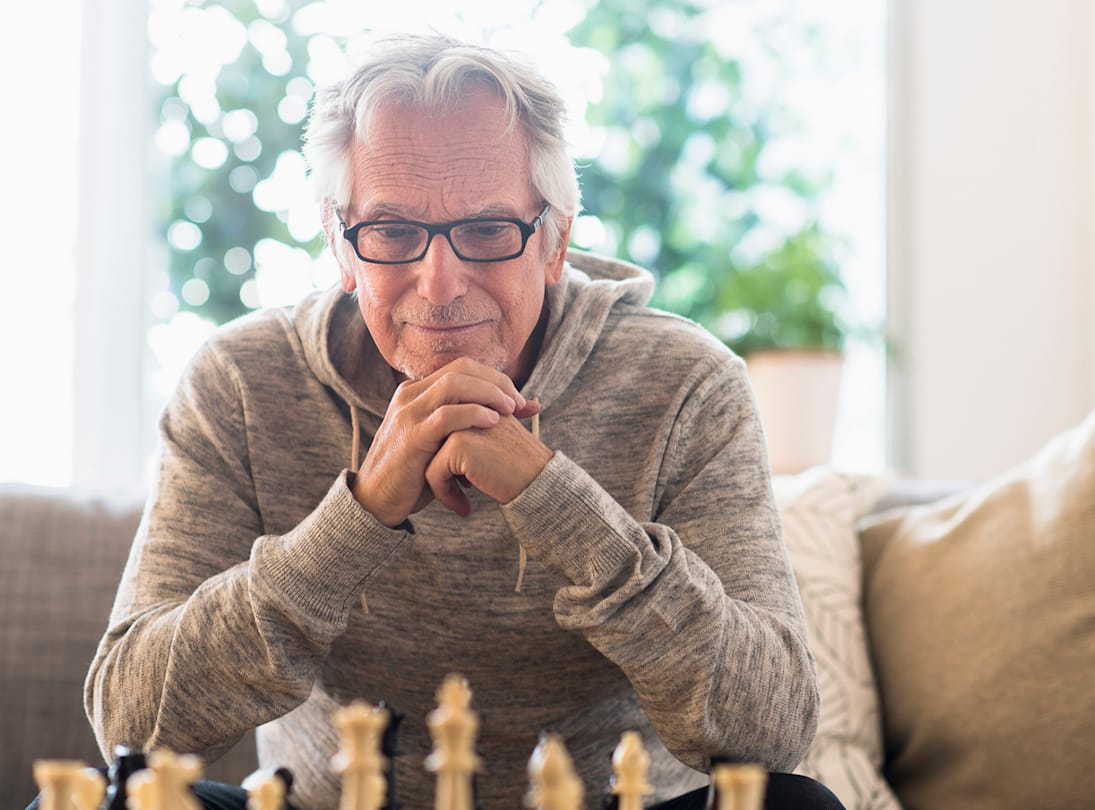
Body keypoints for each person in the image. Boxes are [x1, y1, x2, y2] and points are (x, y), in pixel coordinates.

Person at [78, 32, 838, 810]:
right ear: (343, 246)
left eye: (484, 231)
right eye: (393, 232)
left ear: (553, 241)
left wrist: (554, 499)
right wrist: (361, 513)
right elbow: (132, 726)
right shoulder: (238, 382)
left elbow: (772, 730)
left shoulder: (686, 384)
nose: (439, 285)